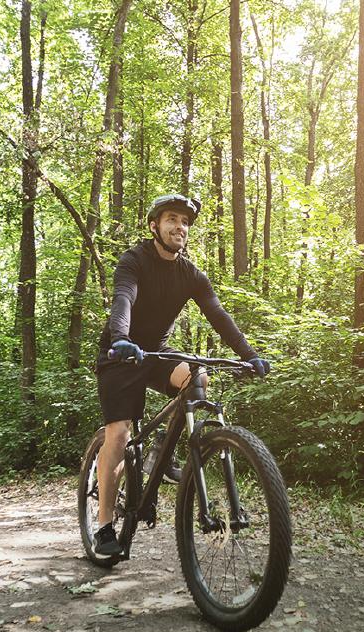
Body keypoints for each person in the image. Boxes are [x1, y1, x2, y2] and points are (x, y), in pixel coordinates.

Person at [92, 193, 270, 556]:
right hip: (120, 352)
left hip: (156, 353)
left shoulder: (190, 274)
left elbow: (219, 316)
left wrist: (250, 355)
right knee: (120, 434)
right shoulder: (134, 260)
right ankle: (105, 525)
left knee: (198, 378)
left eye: (185, 222)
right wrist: (122, 339)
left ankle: (162, 451)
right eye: (172, 219)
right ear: (155, 225)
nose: (180, 227)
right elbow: (123, 298)